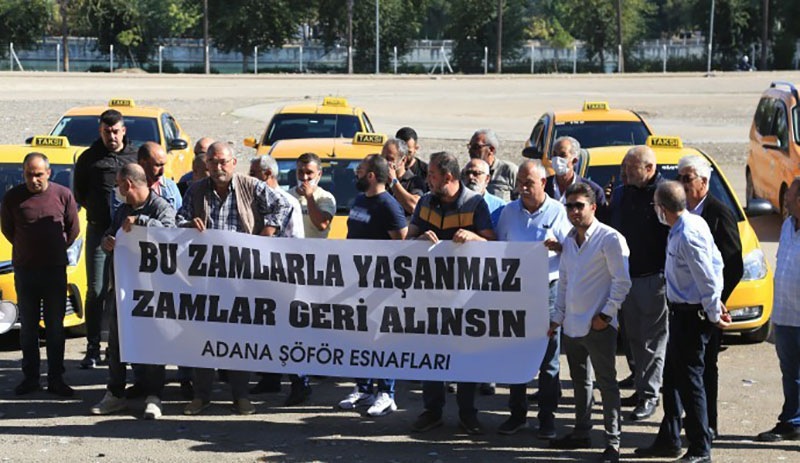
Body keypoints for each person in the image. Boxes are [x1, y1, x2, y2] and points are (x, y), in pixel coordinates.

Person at [637, 157, 743, 458]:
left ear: (663, 208)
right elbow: (716, 264)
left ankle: (700, 447)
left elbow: (709, 275)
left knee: (692, 383)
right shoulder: (685, 225)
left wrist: (713, 311)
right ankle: (669, 439)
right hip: (680, 313)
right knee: (672, 378)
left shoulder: (689, 232)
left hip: (692, 318)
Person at [177, 142, 292, 416]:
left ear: (233, 162)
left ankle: (241, 397)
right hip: (206, 278)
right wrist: (188, 225)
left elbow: (282, 205)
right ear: (206, 164)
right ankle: (201, 396)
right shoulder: (196, 190)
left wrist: (266, 234)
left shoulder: (250, 186)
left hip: (242, 278)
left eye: (223, 162)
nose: (219, 167)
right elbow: (179, 218)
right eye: (213, 162)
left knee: (239, 339)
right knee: (202, 338)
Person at [407, 151, 495, 435]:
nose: (427, 179)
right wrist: (419, 239)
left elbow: (495, 247)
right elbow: (408, 240)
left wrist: (474, 238)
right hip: (430, 294)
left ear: (448, 177)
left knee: (465, 357)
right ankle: (432, 411)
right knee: (431, 354)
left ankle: (468, 414)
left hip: (465, 297)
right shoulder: (424, 201)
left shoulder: (475, 204)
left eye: (431, 175)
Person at [549, 182, 630, 463]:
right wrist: (557, 318)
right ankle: (582, 431)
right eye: (569, 206)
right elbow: (565, 282)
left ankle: (613, 443)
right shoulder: (570, 240)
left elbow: (622, 282)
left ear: (593, 207)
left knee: (607, 384)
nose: (573, 211)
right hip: (572, 325)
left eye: (579, 206)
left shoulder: (610, 239)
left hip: (598, 326)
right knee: (580, 382)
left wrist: (605, 316)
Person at [90, 163, 177, 419]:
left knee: (152, 341)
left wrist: (141, 221)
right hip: (124, 288)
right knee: (117, 343)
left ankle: (154, 395)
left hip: (152, 290)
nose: (117, 189)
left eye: (118, 185)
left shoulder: (159, 206)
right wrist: (108, 241)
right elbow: (110, 234)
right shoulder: (121, 210)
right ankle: (115, 393)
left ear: (129, 184)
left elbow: (171, 234)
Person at [495, 160, 571, 438]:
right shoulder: (508, 212)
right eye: (520, 183)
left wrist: (560, 246)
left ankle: (547, 419)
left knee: (548, 358)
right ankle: (517, 415)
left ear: (543, 184)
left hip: (548, 291)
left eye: (529, 183)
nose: (523, 188)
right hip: (517, 291)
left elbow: (573, 249)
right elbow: (499, 250)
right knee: (517, 355)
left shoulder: (558, 212)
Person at [1, 153, 80, 397]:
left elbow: (73, 229)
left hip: (54, 271)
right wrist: (28, 249)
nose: (33, 179)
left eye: (38, 174)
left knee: (55, 328)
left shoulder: (62, 195)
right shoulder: (13, 197)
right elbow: (8, 230)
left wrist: (53, 248)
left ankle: (56, 379)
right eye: (28, 174)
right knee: (28, 330)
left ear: (48, 173)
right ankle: (30, 378)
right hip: (25, 272)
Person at [338, 154, 407, 416]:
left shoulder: (388, 205)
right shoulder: (358, 200)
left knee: (382, 338)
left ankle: (386, 392)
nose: (356, 173)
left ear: (370, 175)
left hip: (383, 286)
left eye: (360, 169)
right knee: (360, 337)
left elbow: (401, 244)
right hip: (358, 283)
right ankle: (364, 388)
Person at [73, 109, 138, 369]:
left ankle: (120, 346)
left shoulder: (135, 157)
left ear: (123, 130)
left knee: (125, 291)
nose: (111, 136)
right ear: (100, 131)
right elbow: (80, 193)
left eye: (115, 131)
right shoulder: (89, 158)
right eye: (106, 131)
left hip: (130, 233)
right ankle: (92, 348)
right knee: (96, 290)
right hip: (100, 230)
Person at [610, 145, 670, 421]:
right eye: (623, 167)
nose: (624, 173)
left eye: (629, 168)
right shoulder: (622, 195)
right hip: (626, 279)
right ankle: (640, 384)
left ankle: (650, 396)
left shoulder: (664, 195)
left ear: (649, 169)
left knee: (653, 342)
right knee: (633, 338)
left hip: (654, 280)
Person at [247, 155, 311, 406]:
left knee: (287, 333)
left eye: (253, 173)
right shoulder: (255, 200)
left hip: (284, 277)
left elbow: (294, 242)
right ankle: (270, 377)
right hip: (261, 275)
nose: (249, 178)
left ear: (265, 175)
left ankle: (300, 383)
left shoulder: (287, 202)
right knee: (266, 330)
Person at [133, 141, 192, 400]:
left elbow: (176, 225)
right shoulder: (127, 187)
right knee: (142, 327)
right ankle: (142, 381)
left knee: (177, 323)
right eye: (157, 164)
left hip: (168, 268)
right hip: (137, 268)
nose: (161, 169)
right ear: (143, 162)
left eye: (163, 165)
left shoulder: (169, 188)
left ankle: (185, 378)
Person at [756, 177, 800, 443]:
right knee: (791, 374)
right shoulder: (786, 226)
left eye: (791, 197)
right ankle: (792, 421)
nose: (785, 201)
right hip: (785, 315)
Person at [545, 136, 606, 207]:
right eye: (554, 155)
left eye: (563, 155)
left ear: (574, 160)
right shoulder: (543, 186)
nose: (557, 159)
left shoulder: (594, 191)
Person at [291, 152, 336, 239]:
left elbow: (322, 225)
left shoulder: (325, 197)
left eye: (309, 173)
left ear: (319, 174)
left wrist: (309, 197)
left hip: (315, 250)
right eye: (300, 172)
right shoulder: (286, 196)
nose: (304, 177)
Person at [467, 128, 517, 201]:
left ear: (491, 150)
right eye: (470, 147)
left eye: (476, 147)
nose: (470, 151)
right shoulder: (467, 172)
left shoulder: (509, 171)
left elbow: (521, 202)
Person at [382, 137, 426, 217]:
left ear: (403, 160)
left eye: (390, 159)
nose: (385, 162)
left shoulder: (414, 181)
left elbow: (414, 206)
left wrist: (393, 182)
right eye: (383, 158)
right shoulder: (379, 180)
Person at [462, 158, 507, 229]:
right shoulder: (455, 204)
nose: (470, 177)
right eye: (467, 173)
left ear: (487, 178)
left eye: (476, 173)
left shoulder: (500, 208)